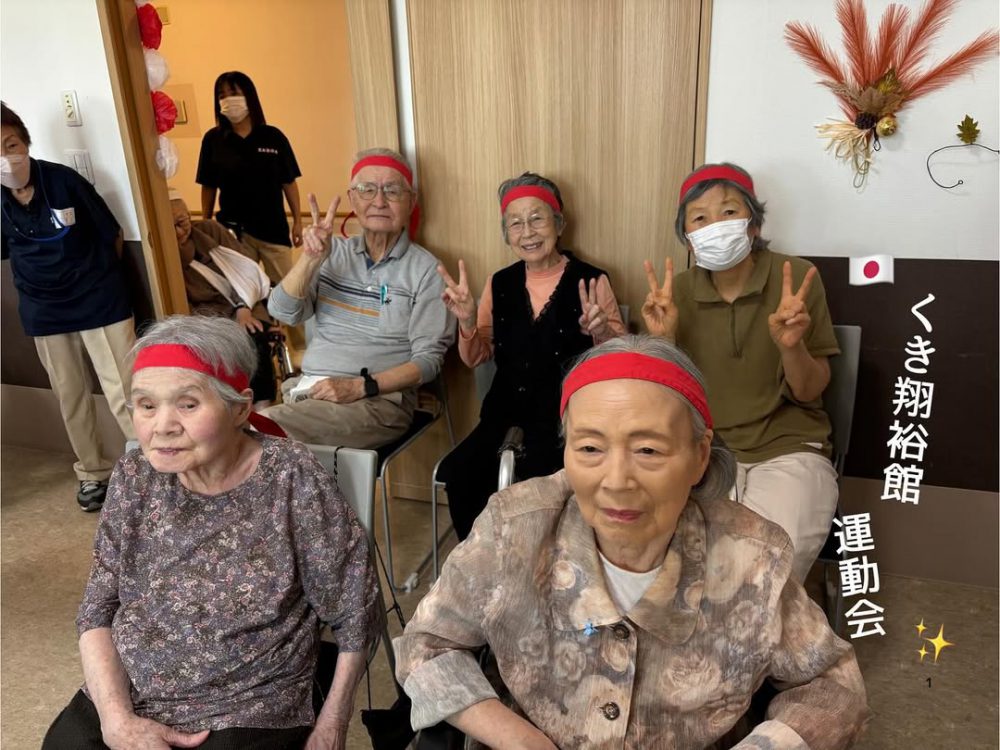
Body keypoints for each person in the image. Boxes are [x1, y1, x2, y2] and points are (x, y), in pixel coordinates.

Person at [395, 335, 869, 750]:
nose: (617, 481)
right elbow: (426, 646)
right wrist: (521, 740)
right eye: (590, 448)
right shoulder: (513, 530)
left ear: (699, 455)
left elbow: (834, 686)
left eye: (648, 450)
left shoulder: (752, 557)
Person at [42, 315, 383, 750]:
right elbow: (97, 608)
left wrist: (333, 721)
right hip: (133, 688)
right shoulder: (134, 475)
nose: (162, 426)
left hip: (250, 702)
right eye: (146, 405)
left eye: (187, 405)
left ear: (240, 409)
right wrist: (115, 719)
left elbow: (355, 610)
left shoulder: (291, 478)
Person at [642, 162, 840, 582]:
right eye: (699, 218)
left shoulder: (796, 278)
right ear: (688, 238)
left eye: (729, 211)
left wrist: (791, 346)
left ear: (754, 224)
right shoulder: (676, 294)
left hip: (788, 446)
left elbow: (809, 391)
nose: (715, 225)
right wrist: (664, 340)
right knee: (682, 566)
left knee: (768, 568)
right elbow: (661, 403)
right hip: (707, 450)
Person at [436, 172, 626, 540]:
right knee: (461, 475)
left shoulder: (592, 280)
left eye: (537, 218)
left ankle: (541, 564)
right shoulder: (499, 282)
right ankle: (483, 562)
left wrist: (601, 331)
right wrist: (467, 321)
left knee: (541, 489)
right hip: (503, 411)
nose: (528, 232)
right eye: (516, 223)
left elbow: (620, 363)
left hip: (566, 416)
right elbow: (476, 357)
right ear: (506, 234)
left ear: (559, 224)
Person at [263, 148, 454, 449]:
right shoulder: (331, 252)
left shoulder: (427, 270)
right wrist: (309, 260)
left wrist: (361, 386)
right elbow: (283, 312)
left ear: (411, 201)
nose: (379, 201)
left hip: (378, 403)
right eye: (367, 189)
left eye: (392, 190)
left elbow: (429, 361)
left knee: (256, 431)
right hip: (310, 393)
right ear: (352, 199)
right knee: (238, 427)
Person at [0, 101, 135, 512]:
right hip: (44, 309)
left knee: (124, 390)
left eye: (11, 144)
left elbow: (111, 234)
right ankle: (93, 473)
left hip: (99, 298)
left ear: (26, 143)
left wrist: (98, 281)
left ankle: (151, 465)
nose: (6, 158)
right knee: (71, 396)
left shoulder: (63, 181)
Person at [170, 191, 277, 408]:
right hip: (208, 317)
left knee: (253, 336)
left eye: (182, 222)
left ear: (189, 216)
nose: (179, 231)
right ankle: (232, 406)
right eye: (171, 226)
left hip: (246, 302)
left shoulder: (210, 230)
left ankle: (263, 407)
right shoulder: (166, 255)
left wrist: (242, 307)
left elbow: (245, 270)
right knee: (226, 345)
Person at [196, 71, 303, 285]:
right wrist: (206, 223)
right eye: (222, 96)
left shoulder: (273, 137)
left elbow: (289, 182)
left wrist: (298, 221)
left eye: (234, 93)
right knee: (245, 291)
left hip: (273, 228)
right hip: (234, 232)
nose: (228, 100)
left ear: (249, 96)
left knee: (287, 289)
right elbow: (208, 185)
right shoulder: (213, 139)